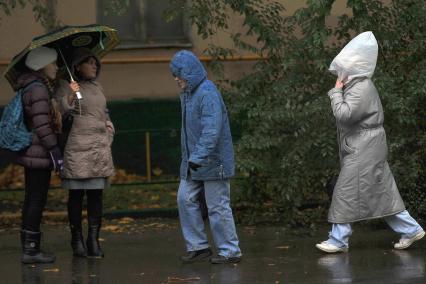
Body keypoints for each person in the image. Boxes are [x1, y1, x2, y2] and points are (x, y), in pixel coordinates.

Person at [316, 32, 424, 253]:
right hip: (368, 145)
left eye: (341, 69)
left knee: (344, 190)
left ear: (351, 68)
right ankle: (411, 229)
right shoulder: (360, 85)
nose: (338, 73)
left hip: (363, 147)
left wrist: (336, 92)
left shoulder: (360, 87)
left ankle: (338, 240)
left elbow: (344, 115)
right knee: (381, 190)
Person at [170, 50, 242, 264]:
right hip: (195, 160)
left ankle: (230, 250)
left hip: (211, 161)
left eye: (178, 74)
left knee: (217, 205)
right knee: (185, 199)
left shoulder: (206, 92)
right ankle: (198, 246)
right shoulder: (189, 93)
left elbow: (212, 130)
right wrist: (192, 159)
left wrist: (197, 156)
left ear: (189, 73)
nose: (176, 78)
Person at [54, 48, 115, 258]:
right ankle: (77, 239)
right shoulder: (67, 84)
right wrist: (67, 101)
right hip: (78, 147)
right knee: (77, 195)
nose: (95, 65)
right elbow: (58, 112)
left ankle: (93, 240)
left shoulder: (97, 86)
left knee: (96, 195)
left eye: (95, 62)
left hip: (99, 147)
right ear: (78, 65)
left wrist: (109, 129)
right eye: (89, 62)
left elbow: (104, 112)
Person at [17, 46, 64, 264]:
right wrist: (54, 150)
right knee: (37, 199)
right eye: (53, 63)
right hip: (39, 152)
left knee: (32, 198)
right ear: (42, 65)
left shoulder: (34, 86)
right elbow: (42, 126)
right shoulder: (38, 89)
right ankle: (31, 249)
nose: (56, 67)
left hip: (33, 152)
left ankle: (28, 245)